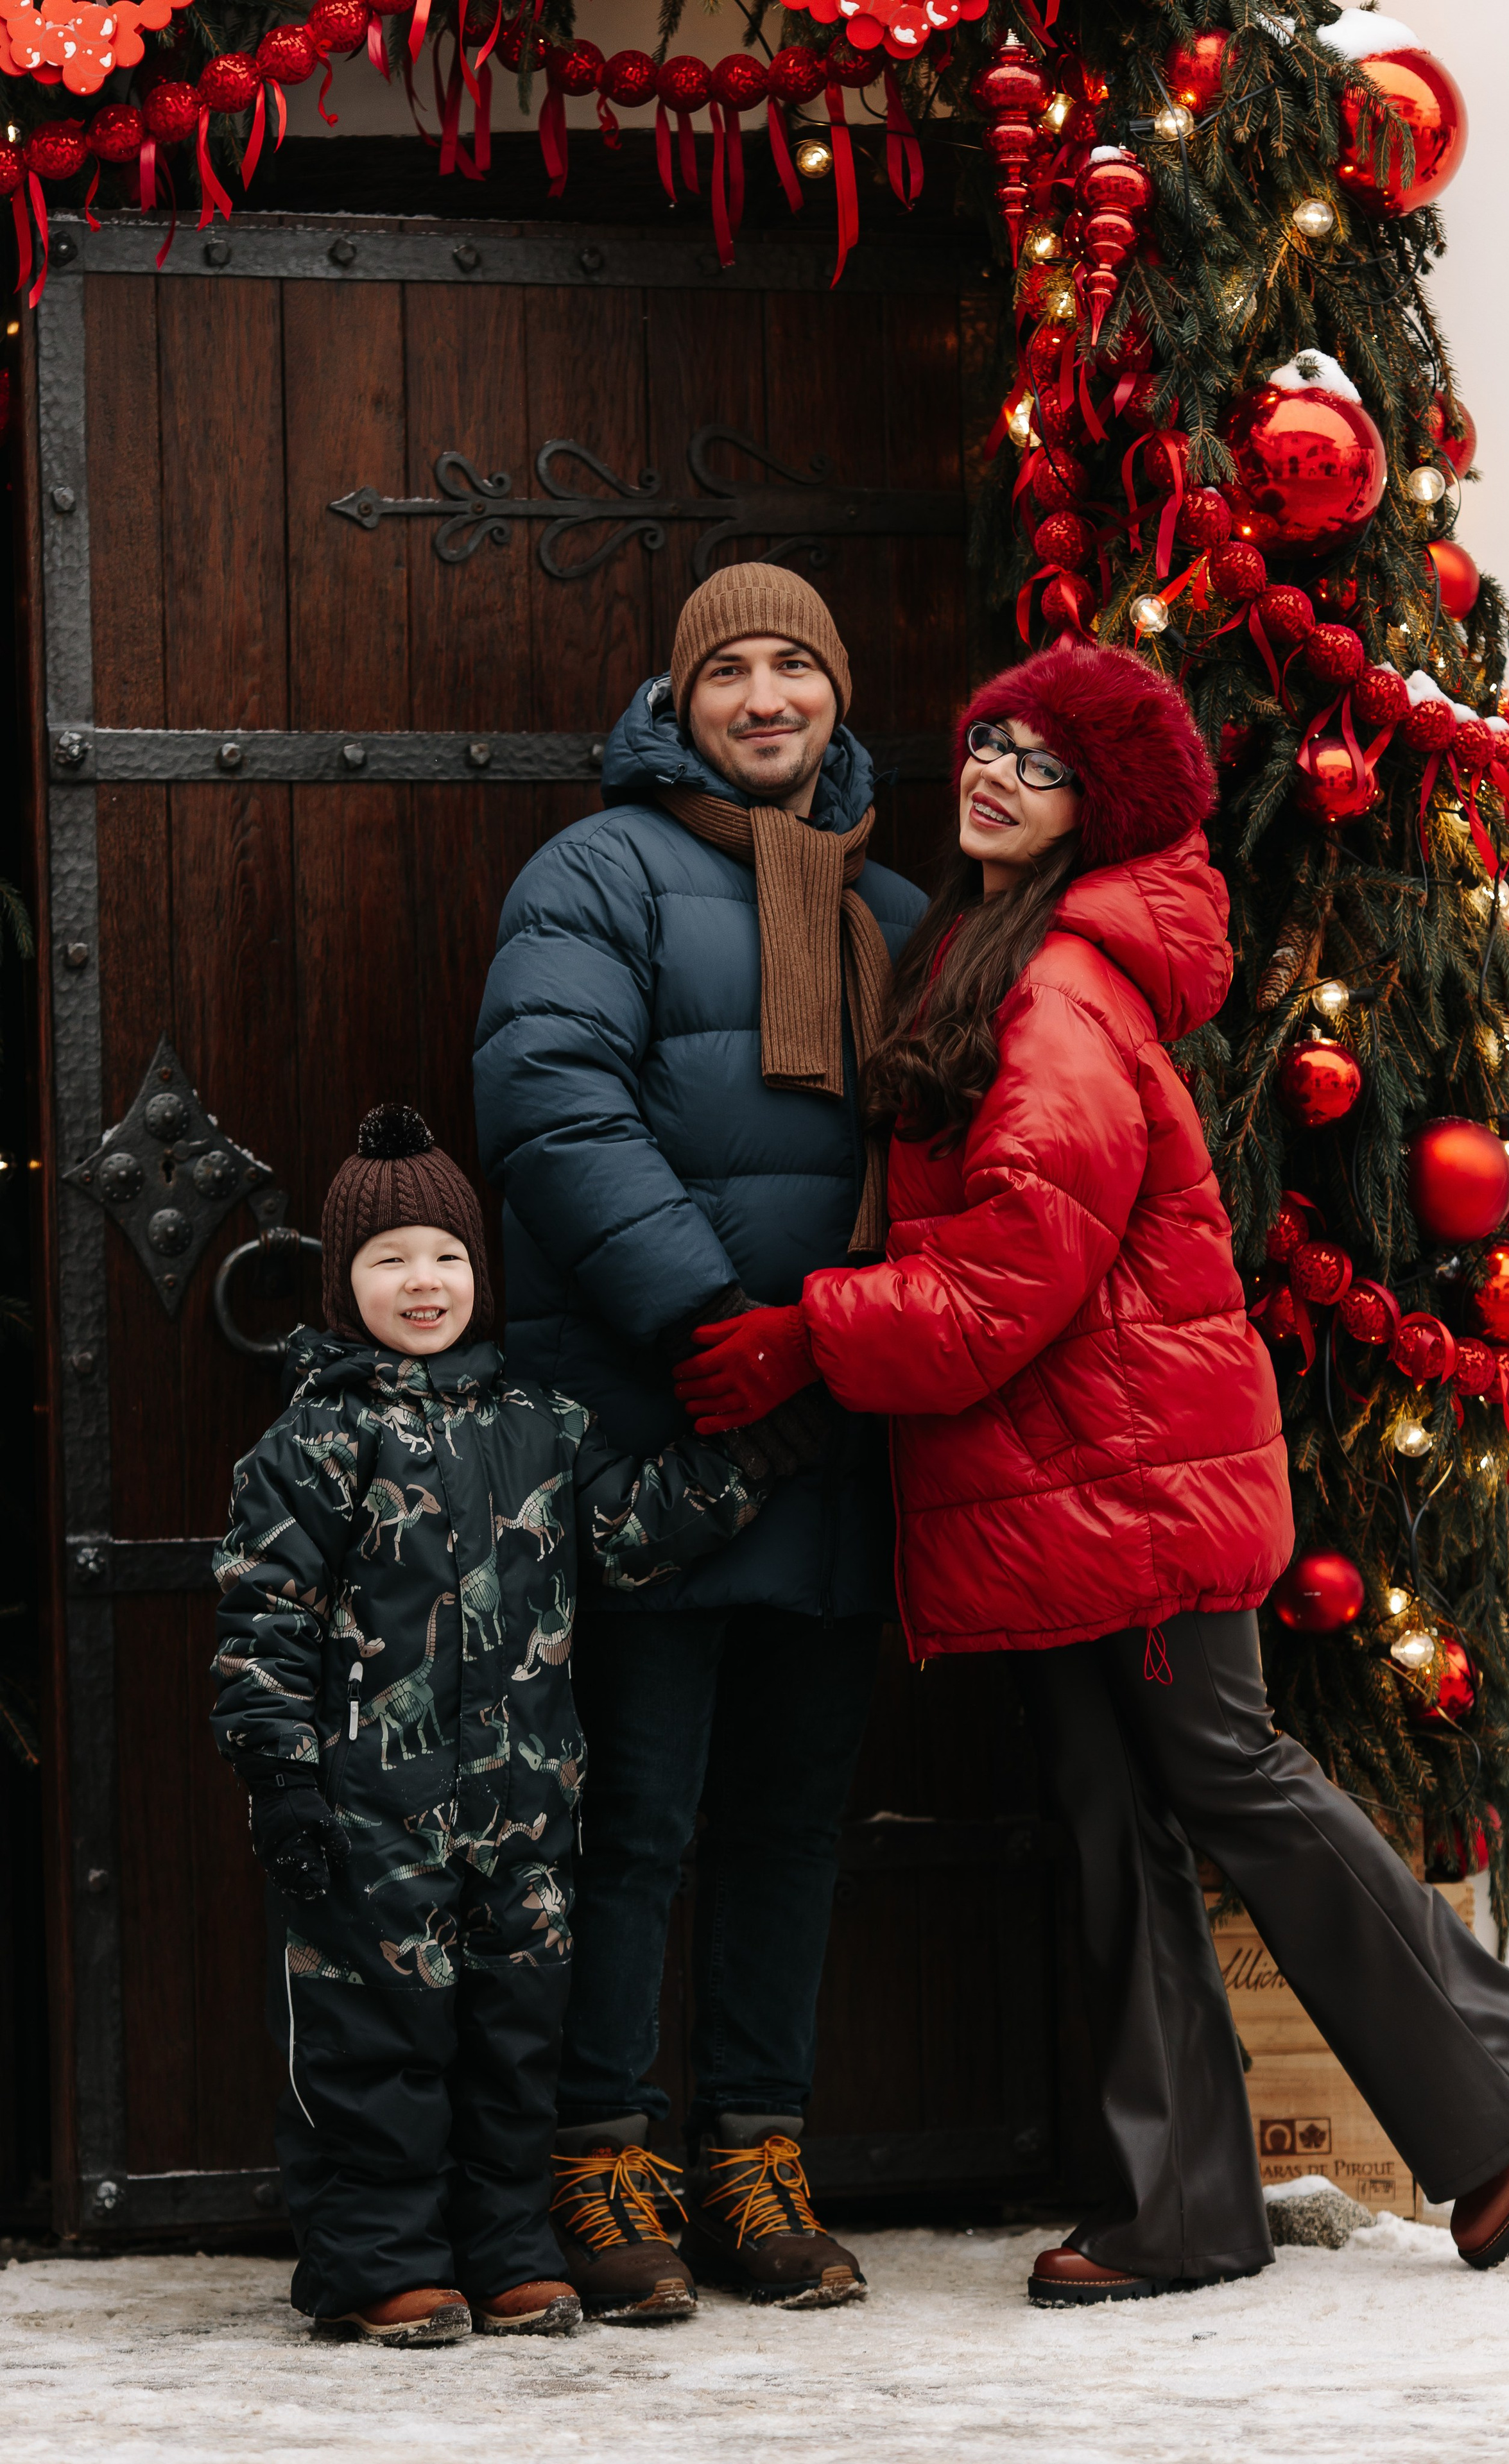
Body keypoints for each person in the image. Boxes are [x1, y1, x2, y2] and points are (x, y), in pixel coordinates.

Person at [676, 640, 1509, 2306]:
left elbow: (1022, 1262)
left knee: (1231, 1779)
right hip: (1064, 1486)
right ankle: (1179, 2208)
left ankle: (1496, 2081)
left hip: (1133, 1469)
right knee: (1112, 1818)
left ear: (1104, 809)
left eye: (1042, 761)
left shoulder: (1062, 987)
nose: (997, 773)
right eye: (986, 743)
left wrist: (817, 1334)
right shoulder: (990, 948)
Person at [473, 563, 925, 2320]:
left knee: (790, 1818)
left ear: (834, 699)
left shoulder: (884, 899)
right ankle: (602, 2161)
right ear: (680, 700)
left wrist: (835, 1349)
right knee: (633, 1815)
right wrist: (697, 1316)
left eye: (792, 668)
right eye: (727, 669)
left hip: (824, 1430)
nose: (762, 698)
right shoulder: (596, 872)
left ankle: (756, 2158)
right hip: (651, 1426)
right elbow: (549, 1094)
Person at [211, 1104, 768, 2348]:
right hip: (370, 1820)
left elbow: (631, 1536)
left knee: (515, 2039)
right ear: (345, 1283)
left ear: (479, 1272)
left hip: (523, 1818)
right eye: (390, 1260)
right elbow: (264, 1626)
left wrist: (754, 1452)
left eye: (447, 1257)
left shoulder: (540, 1423)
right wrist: (283, 1780)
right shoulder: (313, 1443)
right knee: (378, 2045)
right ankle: (379, 2263)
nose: (423, 1282)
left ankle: (507, 2244)